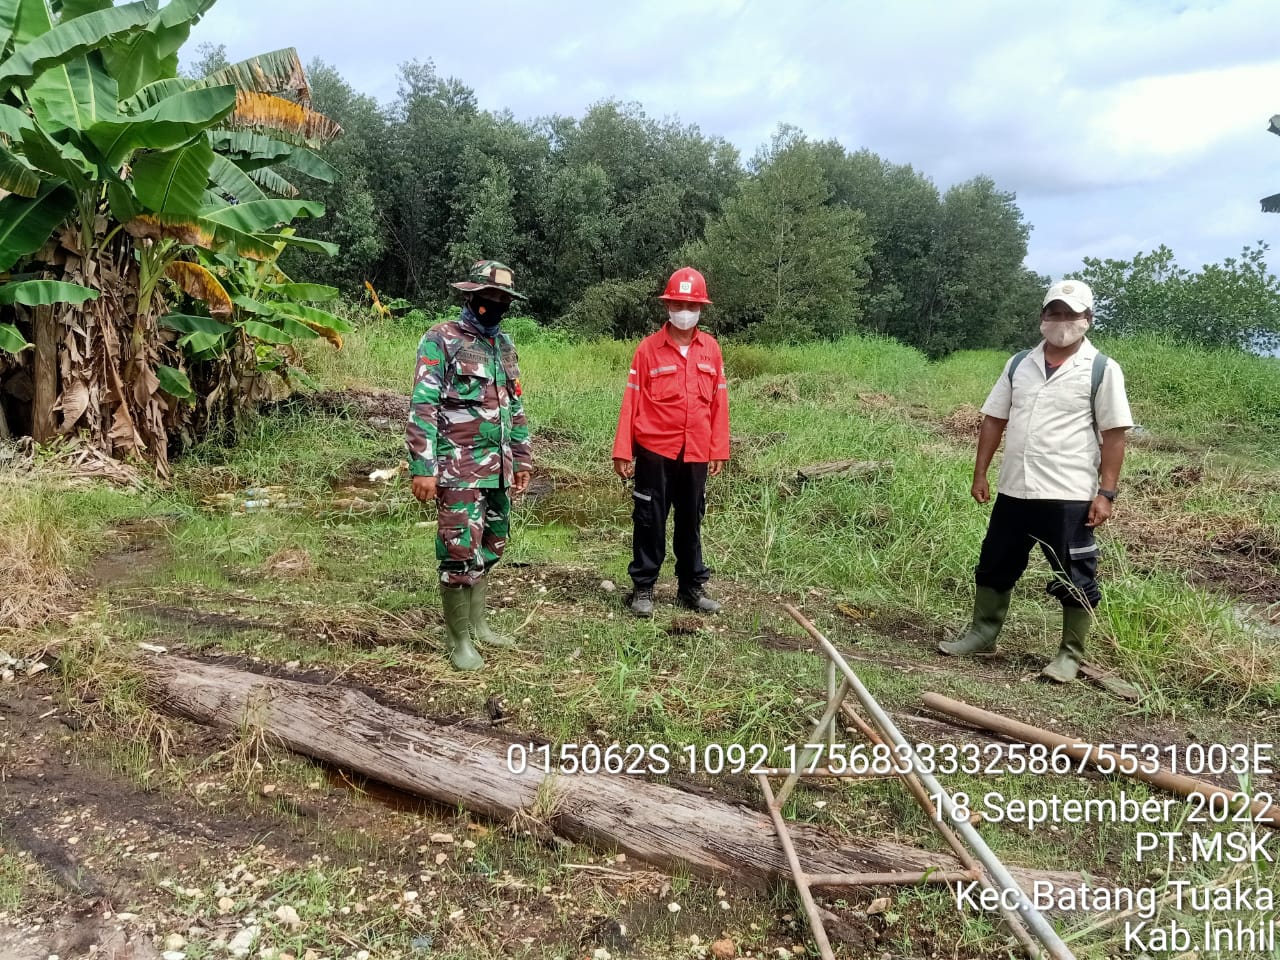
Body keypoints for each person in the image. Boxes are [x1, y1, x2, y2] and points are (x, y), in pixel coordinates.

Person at [939, 279, 1133, 682]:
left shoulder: (1101, 369)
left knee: (1075, 574)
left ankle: (1069, 654)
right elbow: (995, 418)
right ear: (1042, 317)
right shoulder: (1018, 364)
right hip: (1015, 488)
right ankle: (983, 633)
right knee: (995, 563)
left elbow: (1114, 434)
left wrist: (1106, 493)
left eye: (1071, 314)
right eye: (1055, 313)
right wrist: (981, 472)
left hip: (1068, 493)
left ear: (1087, 319)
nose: (1062, 321)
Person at [407, 260, 533, 671]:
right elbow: (423, 404)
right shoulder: (441, 339)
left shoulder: (505, 345)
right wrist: (423, 466)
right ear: (471, 296)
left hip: (499, 468)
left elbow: (514, 406)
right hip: (457, 468)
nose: (495, 305)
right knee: (459, 551)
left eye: (503, 299)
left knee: (492, 544)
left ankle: (478, 624)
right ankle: (458, 639)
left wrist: (523, 457)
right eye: (488, 298)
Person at [612, 267, 730, 618]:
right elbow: (631, 401)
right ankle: (644, 588)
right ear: (667, 306)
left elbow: (720, 404)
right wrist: (623, 450)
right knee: (649, 519)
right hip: (655, 452)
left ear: (701, 309)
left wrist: (718, 448)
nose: (684, 310)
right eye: (677, 303)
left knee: (691, 520)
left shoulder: (711, 349)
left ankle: (691, 587)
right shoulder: (648, 349)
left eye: (690, 304)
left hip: (696, 450)